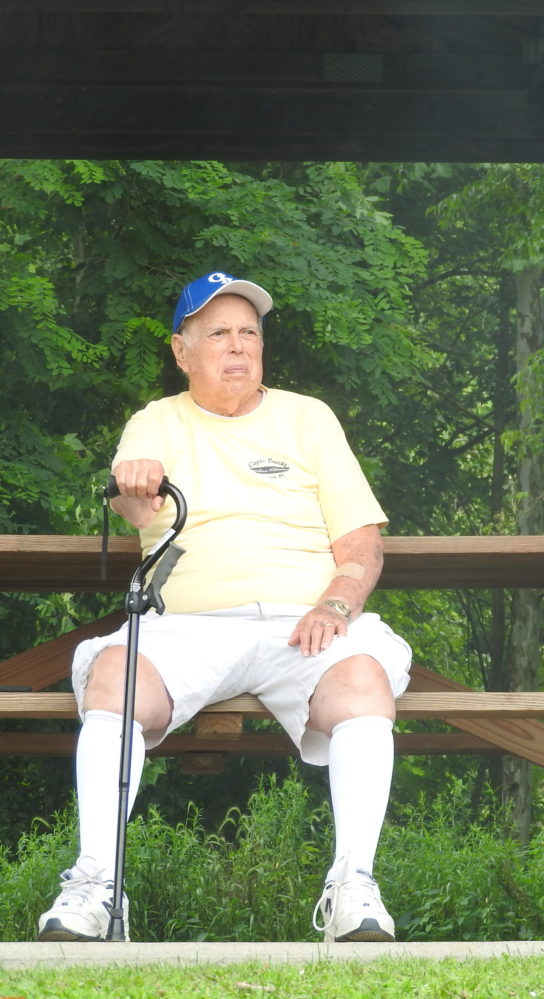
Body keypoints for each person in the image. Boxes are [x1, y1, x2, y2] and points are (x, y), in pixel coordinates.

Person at [37, 271, 412, 944]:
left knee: (363, 680)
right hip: (186, 627)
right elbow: (134, 508)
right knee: (112, 676)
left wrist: (335, 600)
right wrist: (135, 484)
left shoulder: (309, 417)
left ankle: (354, 885)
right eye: (218, 333)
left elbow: (361, 545)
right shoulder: (155, 421)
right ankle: (98, 885)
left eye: (249, 333)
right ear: (182, 352)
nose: (238, 347)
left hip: (306, 622)